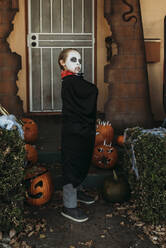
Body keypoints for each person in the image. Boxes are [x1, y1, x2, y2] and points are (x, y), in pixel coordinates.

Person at [58, 48, 98, 222]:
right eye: (73, 60)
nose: (78, 63)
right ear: (62, 62)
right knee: (72, 164)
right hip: (73, 131)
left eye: (79, 60)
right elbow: (91, 90)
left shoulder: (74, 81)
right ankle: (69, 206)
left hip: (81, 129)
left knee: (81, 158)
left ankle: (79, 192)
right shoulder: (69, 82)